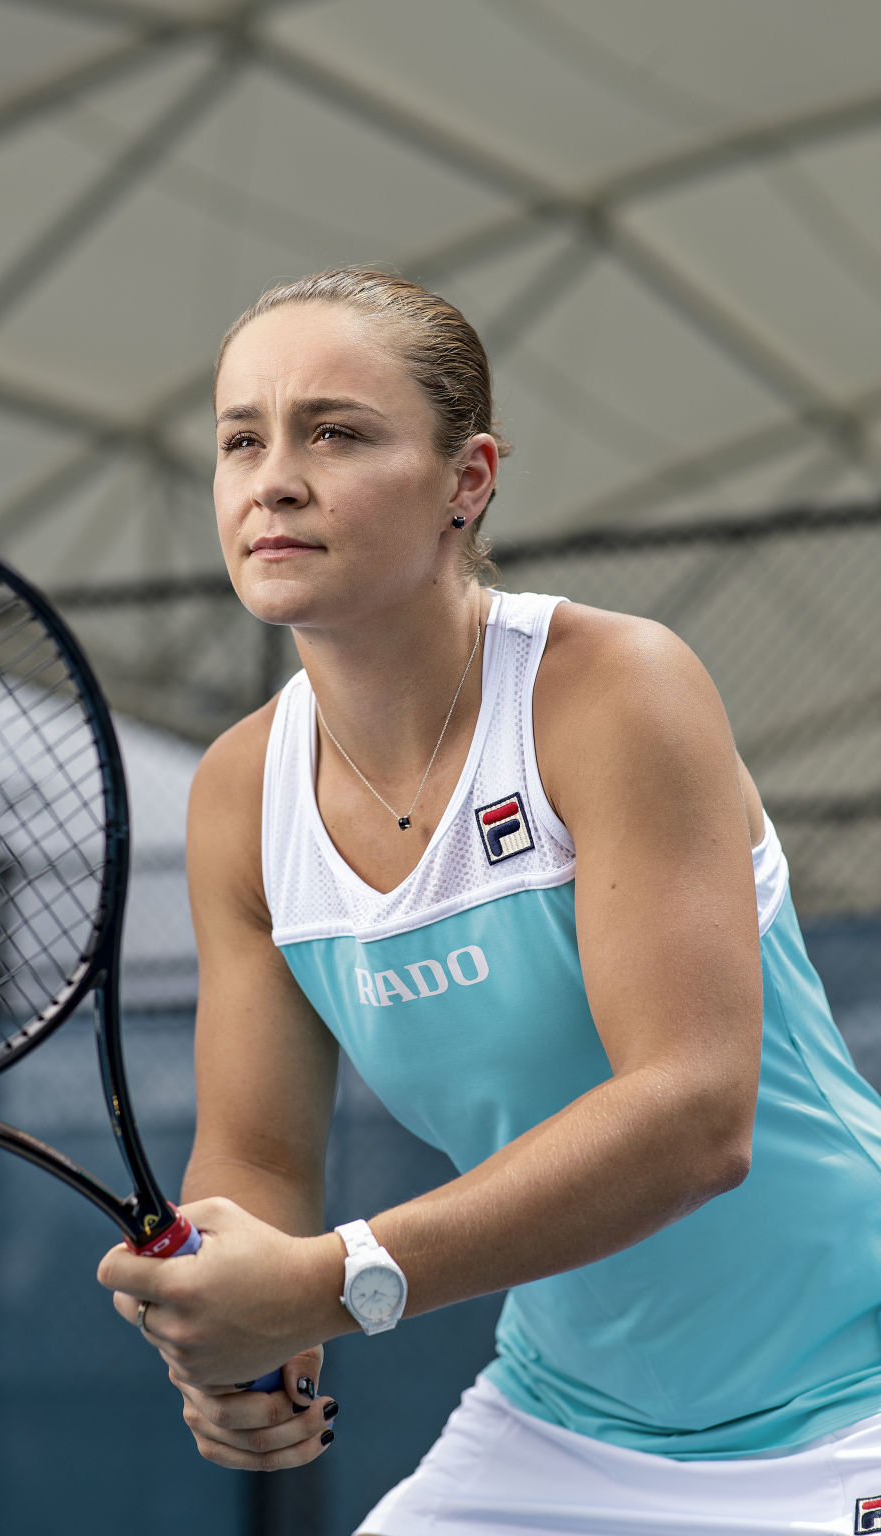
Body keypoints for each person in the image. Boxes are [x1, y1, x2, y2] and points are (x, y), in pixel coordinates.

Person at [98, 267, 881, 1534]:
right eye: (242, 439)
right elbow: (258, 1157)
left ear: (467, 480)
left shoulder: (614, 687)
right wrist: (247, 1324)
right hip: (563, 1421)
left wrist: (331, 1280)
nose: (272, 478)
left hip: (849, 1405)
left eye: (334, 432)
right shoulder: (240, 791)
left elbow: (692, 1117)